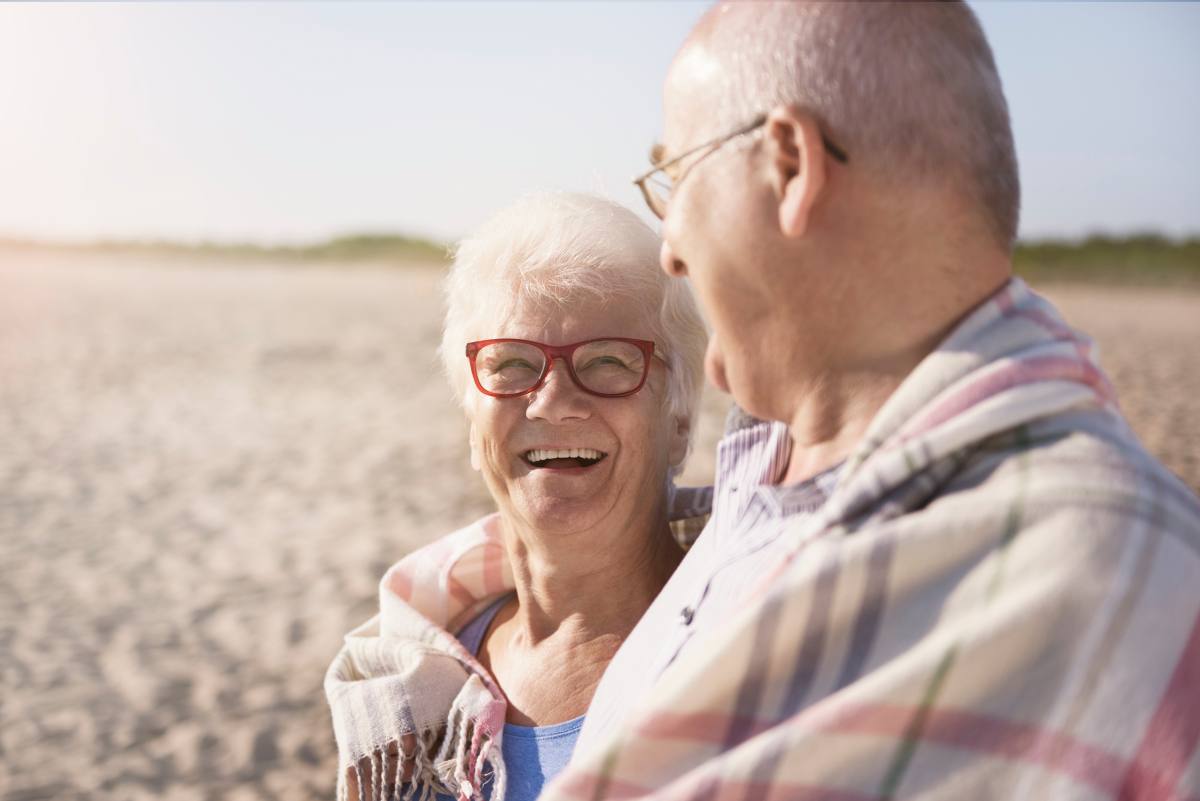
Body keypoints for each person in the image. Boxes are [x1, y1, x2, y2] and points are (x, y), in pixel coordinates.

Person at [543, 3, 1200, 799]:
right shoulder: (759, 479)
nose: (670, 247)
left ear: (790, 166)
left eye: (675, 180)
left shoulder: (1131, 588)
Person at [323, 191, 709, 801]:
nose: (553, 400)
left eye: (609, 361)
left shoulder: (736, 644)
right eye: (511, 365)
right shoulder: (406, 686)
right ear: (473, 426)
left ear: (680, 420)